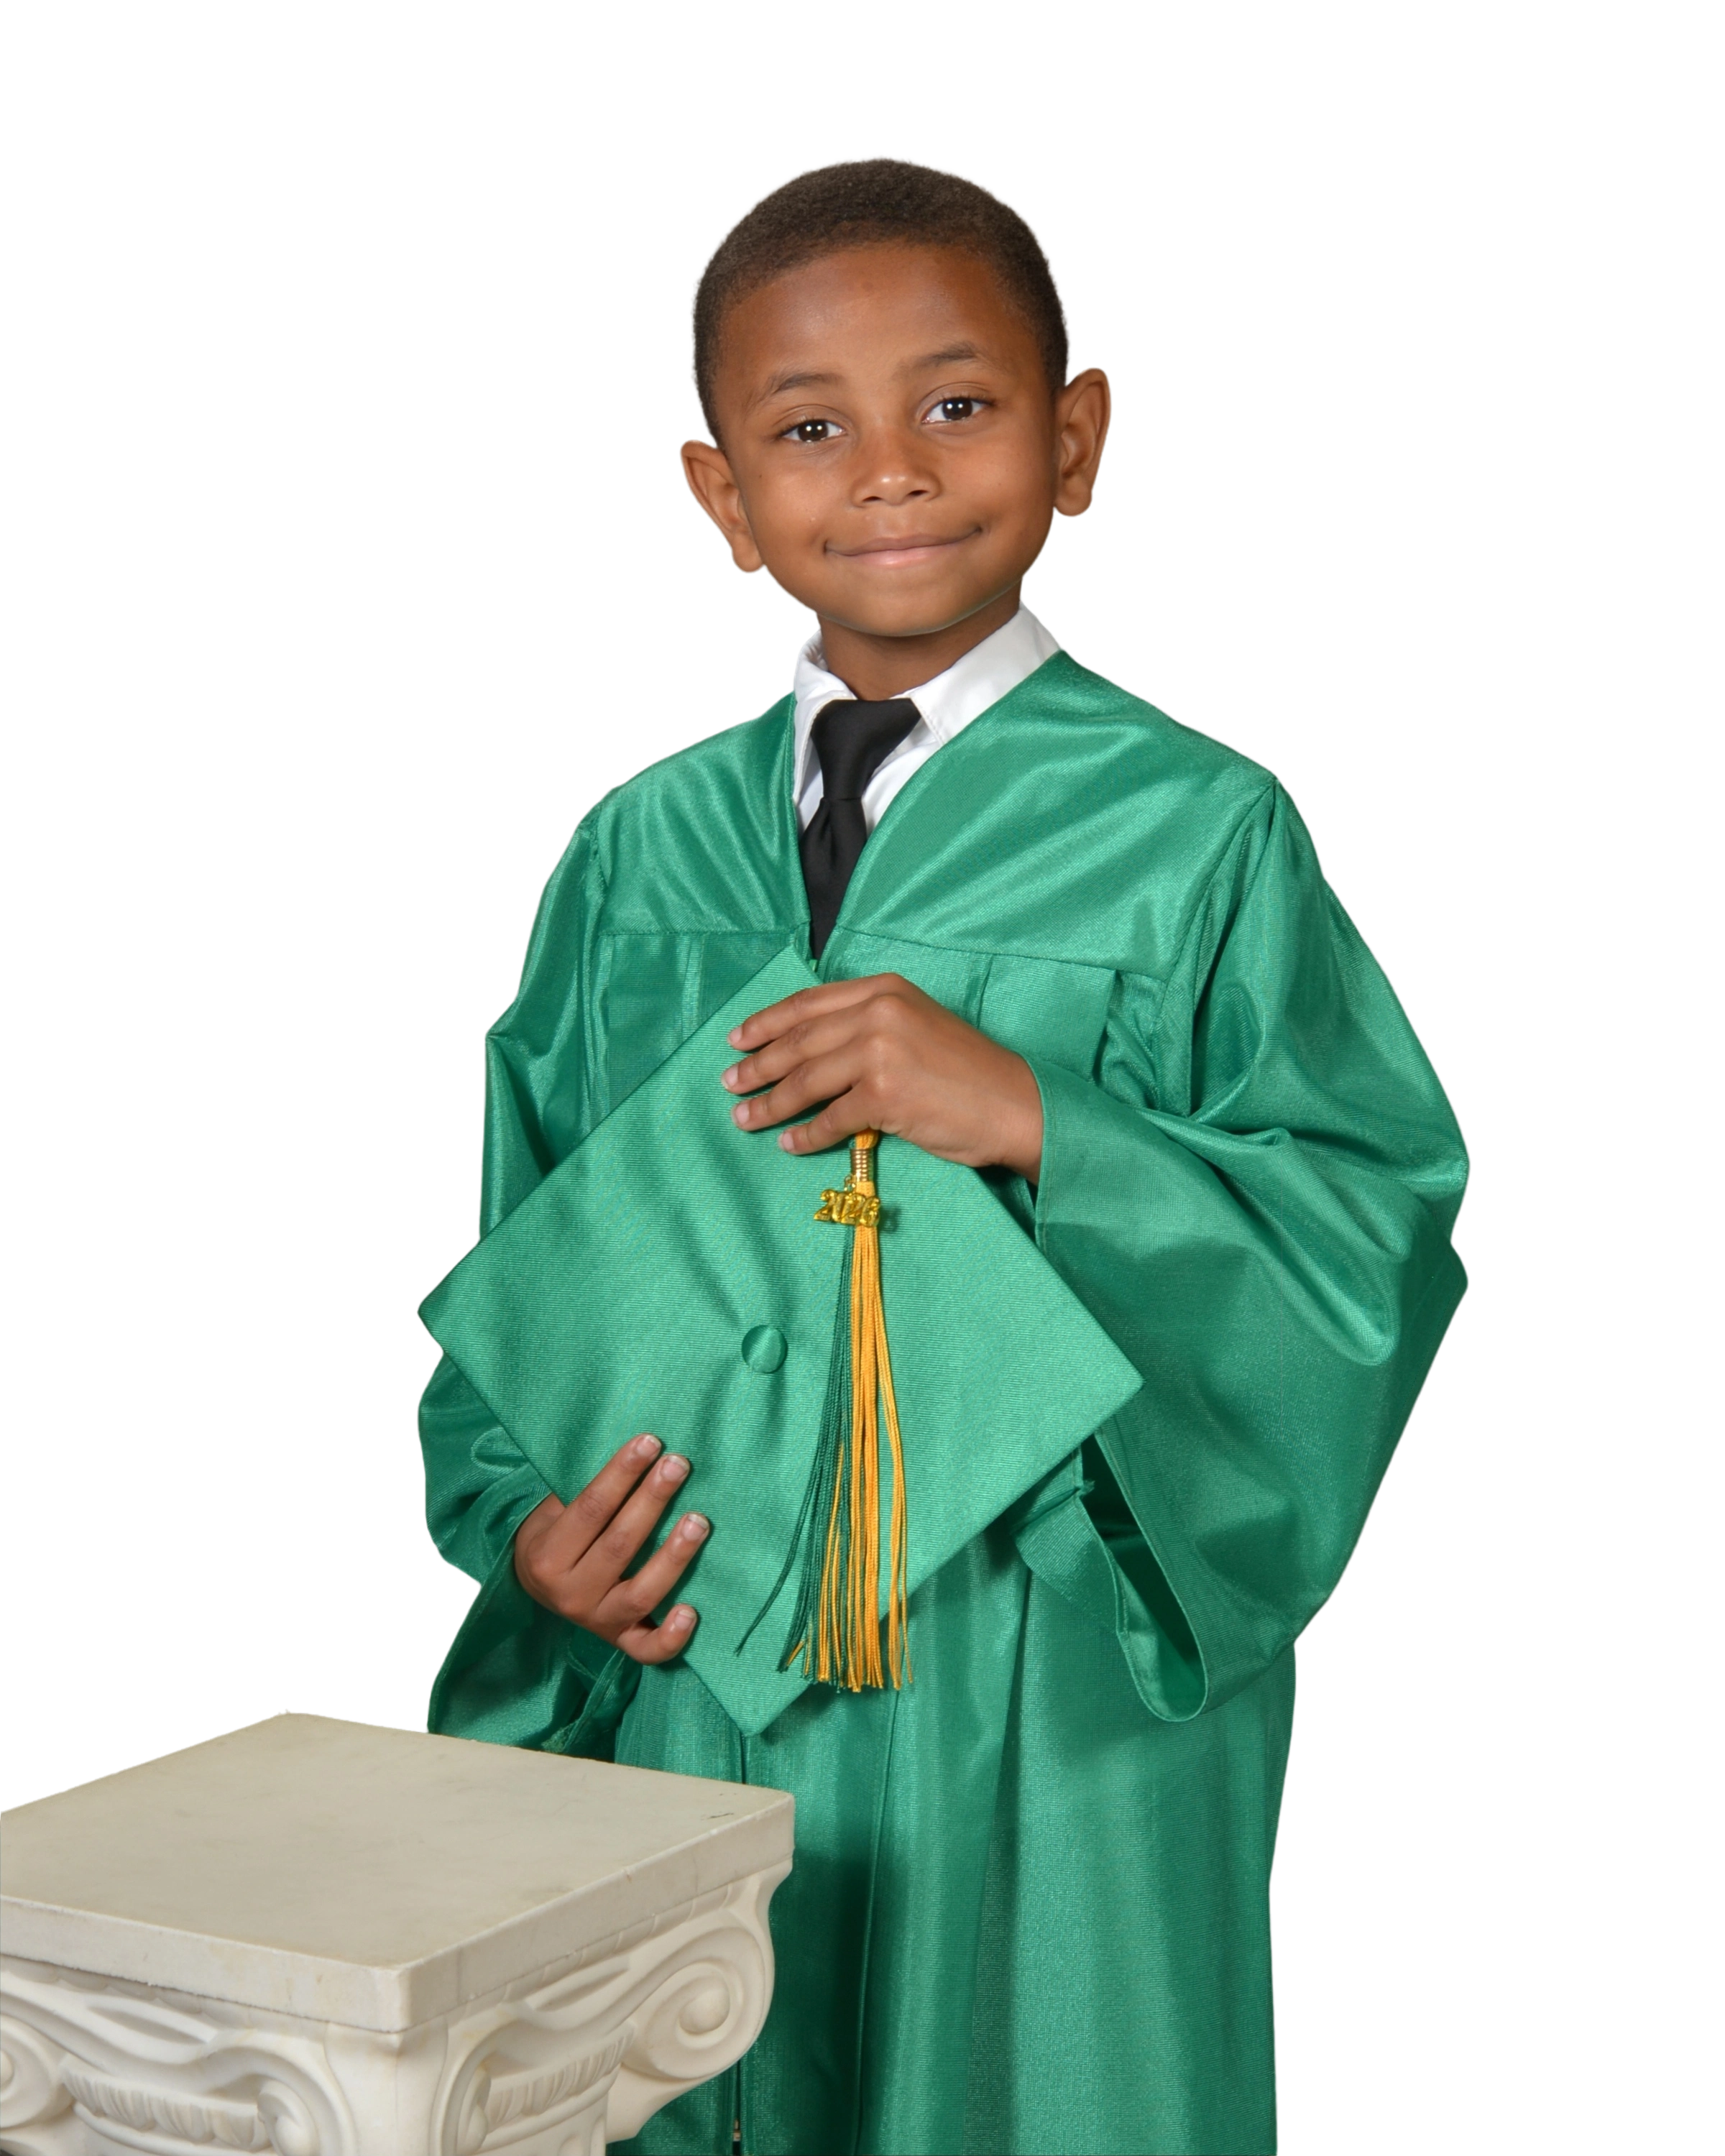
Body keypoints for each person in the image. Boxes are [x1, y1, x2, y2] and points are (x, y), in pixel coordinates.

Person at [415, 155, 1470, 2156]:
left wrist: (1042, 1120)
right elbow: (534, 1247)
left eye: (958, 402)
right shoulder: (638, 852)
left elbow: (1369, 1232)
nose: (890, 468)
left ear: (1078, 435)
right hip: (704, 1653)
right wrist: (535, 1535)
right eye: (810, 427)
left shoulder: (1194, 833)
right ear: (722, 494)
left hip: (1054, 1662)